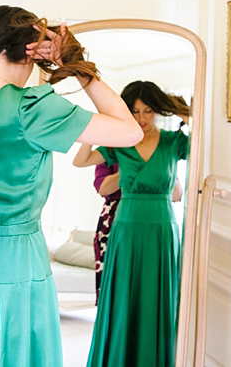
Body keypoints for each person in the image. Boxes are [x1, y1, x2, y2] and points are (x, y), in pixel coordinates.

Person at [0, 5, 143, 367]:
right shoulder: (31, 109)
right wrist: (78, 68)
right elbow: (130, 132)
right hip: (16, 269)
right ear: (27, 51)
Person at [73, 80, 190, 367]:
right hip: (125, 229)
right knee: (125, 298)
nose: (141, 119)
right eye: (134, 111)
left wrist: (186, 113)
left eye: (148, 111)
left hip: (163, 230)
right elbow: (81, 160)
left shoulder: (173, 142)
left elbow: (206, 145)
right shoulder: (121, 143)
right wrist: (99, 124)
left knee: (156, 297)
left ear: (158, 111)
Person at [92, 161, 121, 304]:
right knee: (110, 285)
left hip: (153, 215)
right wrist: (133, 165)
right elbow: (102, 187)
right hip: (112, 218)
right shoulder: (110, 148)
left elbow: (176, 194)